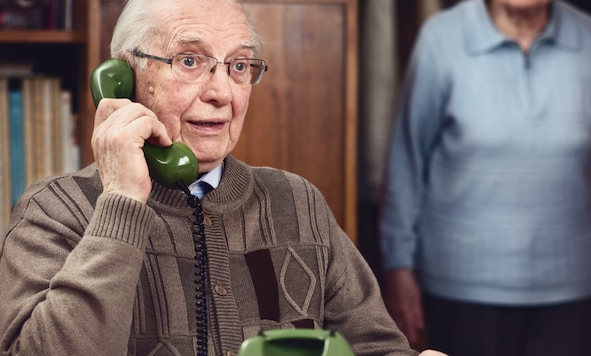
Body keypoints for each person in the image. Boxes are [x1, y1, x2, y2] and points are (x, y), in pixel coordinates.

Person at [0, 0, 446, 355]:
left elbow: (375, 347)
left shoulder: (297, 200)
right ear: (123, 76)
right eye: (190, 60)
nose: (221, 93)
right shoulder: (54, 211)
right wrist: (121, 202)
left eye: (239, 66)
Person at [379, 0, 591, 355]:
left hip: (573, 287)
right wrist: (398, 265)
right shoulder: (441, 38)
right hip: (462, 287)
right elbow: (407, 161)